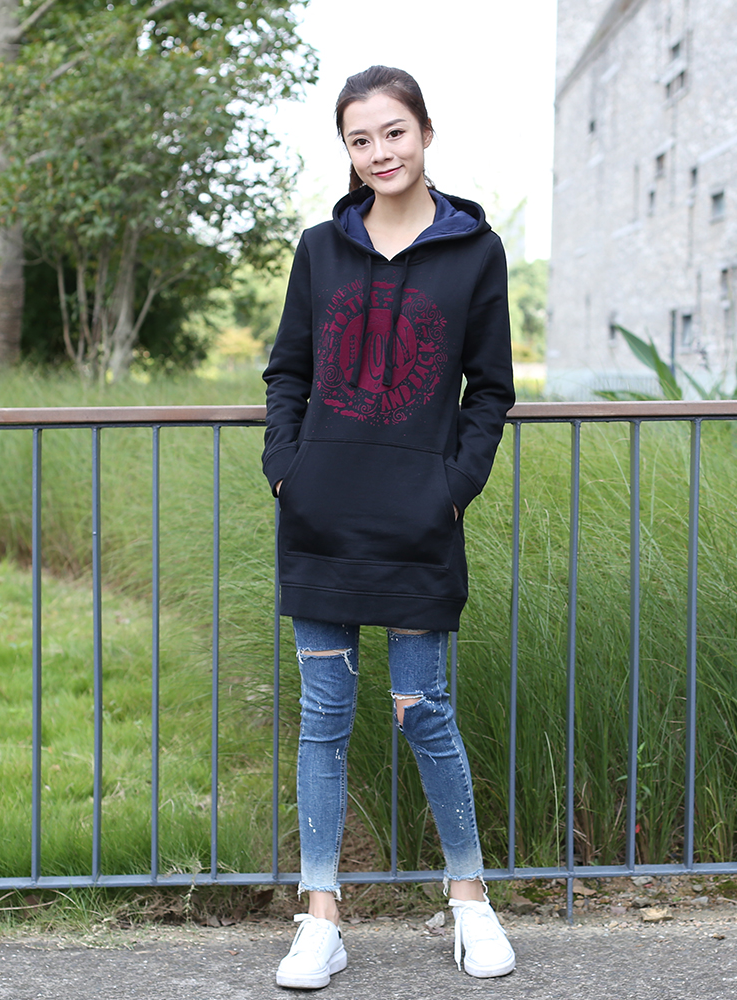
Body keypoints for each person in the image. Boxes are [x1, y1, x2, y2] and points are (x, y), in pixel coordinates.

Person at [262, 65, 516, 989]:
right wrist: (286, 469)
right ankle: (320, 918)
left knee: (425, 712)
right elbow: (288, 371)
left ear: (426, 132)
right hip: (321, 516)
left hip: (417, 522)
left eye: (394, 132)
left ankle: (471, 901)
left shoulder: (475, 251)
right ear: (348, 150)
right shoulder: (319, 249)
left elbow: (490, 390)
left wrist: (454, 487)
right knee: (324, 719)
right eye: (360, 139)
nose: (380, 152)